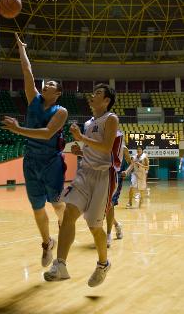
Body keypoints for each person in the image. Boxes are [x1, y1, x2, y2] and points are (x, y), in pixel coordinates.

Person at [44, 83, 123, 287]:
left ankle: (103, 264)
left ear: (106, 100)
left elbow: (106, 147)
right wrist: (82, 150)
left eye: (97, 93)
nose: (92, 95)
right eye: (93, 92)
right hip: (84, 174)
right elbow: (93, 147)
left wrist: (81, 138)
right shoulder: (88, 123)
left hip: (103, 177)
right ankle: (60, 264)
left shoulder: (111, 119)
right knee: (69, 213)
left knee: (94, 226)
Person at [2, 33, 68, 267]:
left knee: (57, 204)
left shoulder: (61, 111)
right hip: (31, 161)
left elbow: (47, 133)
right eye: (46, 83)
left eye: (50, 85)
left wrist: (19, 130)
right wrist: (22, 49)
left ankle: (64, 224)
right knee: (37, 207)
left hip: (52, 163)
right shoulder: (33, 98)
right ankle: (47, 243)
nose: (45, 85)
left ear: (57, 93)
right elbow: (27, 71)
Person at [106, 145, 131, 247]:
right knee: (105, 207)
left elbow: (131, 163)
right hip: (103, 177)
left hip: (117, 178)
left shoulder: (123, 148)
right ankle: (117, 225)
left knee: (110, 204)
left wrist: (127, 171)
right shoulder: (103, 143)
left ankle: (108, 234)